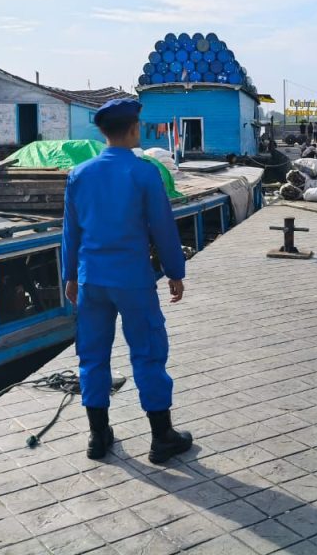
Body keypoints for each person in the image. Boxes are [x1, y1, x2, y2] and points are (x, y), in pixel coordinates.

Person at [61, 98, 193, 463]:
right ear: (134, 129)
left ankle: (98, 437)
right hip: (132, 280)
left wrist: (69, 275)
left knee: (92, 356)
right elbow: (163, 228)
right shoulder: (144, 172)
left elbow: (70, 232)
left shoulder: (79, 174)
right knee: (148, 353)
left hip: (91, 280)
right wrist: (175, 271)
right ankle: (161, 437)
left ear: (102, 132)